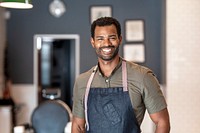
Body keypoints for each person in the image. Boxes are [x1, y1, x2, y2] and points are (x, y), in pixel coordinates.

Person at [72, 17, 170, 133]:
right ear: (93, 42)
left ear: (120, 39)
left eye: (112, 38)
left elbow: (162, 122)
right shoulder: (82, 81)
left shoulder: (143, 76)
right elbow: (78, 126)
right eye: (100, 39)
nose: (106, 43)